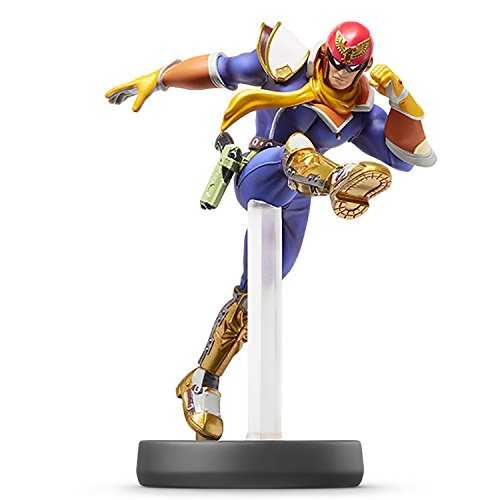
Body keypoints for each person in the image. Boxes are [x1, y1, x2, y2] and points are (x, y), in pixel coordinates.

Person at [106, 21, 436, 440]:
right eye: (336, 63)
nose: (340, 73)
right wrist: (160, 79)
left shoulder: (359, 111)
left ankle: (202, 381)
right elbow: (223, 68)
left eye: (351, 68)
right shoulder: (286, 66)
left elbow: (407, 159)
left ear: (364, 67)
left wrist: (403, 99)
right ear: (326, 53)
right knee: (297, 147)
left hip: (297, 201)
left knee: (258, 293)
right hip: (262, 172)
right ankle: (335, 179)